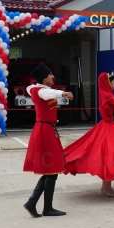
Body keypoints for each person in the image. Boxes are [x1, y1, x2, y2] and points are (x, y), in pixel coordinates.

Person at [22, 63, 74, 217]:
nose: (53, 77)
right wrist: (63, 94)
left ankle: (33, 203)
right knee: (52, 168)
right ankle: (45, 207)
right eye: (50, 74)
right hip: (44, 130)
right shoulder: (42, 91)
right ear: (44, 78)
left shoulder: (36, 89)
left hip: (47, 129)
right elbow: (47, 94)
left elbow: (30, 88)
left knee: (51, 169)